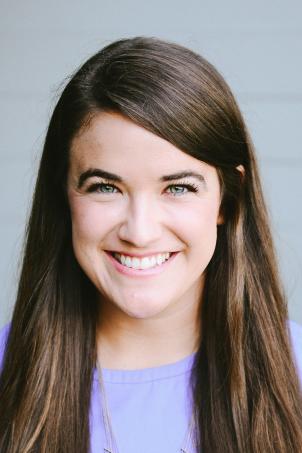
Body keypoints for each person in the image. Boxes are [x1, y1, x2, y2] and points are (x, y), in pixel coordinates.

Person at [0, 36, 301, 453]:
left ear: (227, 199)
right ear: (63, 195)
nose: (139, 232)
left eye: (177, 188)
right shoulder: (6, 371)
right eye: (105, 187)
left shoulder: (296, 373)